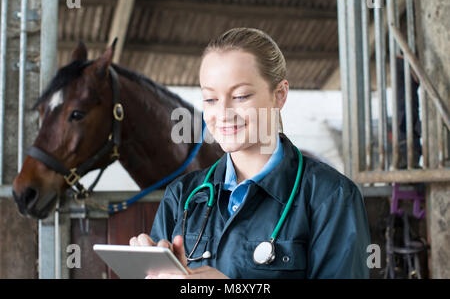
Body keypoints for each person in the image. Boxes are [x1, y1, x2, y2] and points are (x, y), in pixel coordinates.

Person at [129, 27, 371, 279]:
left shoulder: (331, 197)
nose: (223, 113)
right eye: (210, 99)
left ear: (279, 95)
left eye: (241, 96)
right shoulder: (182, 197)